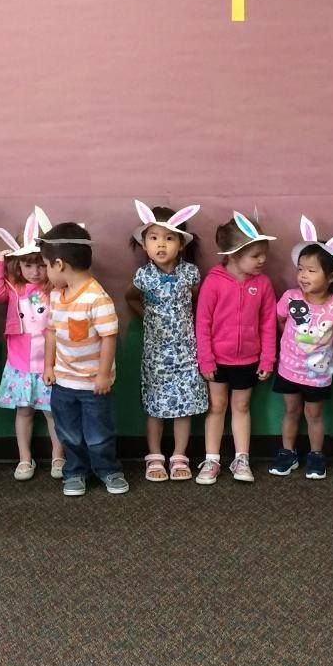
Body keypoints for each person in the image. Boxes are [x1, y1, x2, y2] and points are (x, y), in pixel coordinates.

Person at [40, 221, 129, 497]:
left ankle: (108, 469)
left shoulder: (96, 297)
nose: (46, 272)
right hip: (63, 383)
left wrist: (103, 375)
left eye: (46, 266)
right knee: (68, 433)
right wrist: (48, 365)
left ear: (59, 264)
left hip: (93, 386)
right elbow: (52, 332)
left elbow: (109, 337)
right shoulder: (56, 296)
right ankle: (76, 471)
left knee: (99, 434)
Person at [126, 201, 207, 482]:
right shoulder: (143, 276)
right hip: (156, 354)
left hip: (186, 352)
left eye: (169, 238)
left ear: (181, 244)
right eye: (154, 237)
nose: (161, 244)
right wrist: (147, 315)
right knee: (155, 406)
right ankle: (155, 456)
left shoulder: (190, 273)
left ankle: (179, 455)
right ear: (144, 244)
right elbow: (130, 297)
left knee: (184, 406)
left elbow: (199, 302)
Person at [269, 216, 333, 480]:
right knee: (291, 411)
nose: (303, 275)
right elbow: (280, 321)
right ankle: (287, 452)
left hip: (317, 375)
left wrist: (320, 346)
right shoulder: (290, 297)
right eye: (300, 269)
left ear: (331, 276)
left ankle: (316, 455)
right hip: (288, 370)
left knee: (314, 415)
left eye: (311, 270)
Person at [194, 212, 277, 484]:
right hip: (217, 361)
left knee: (241, 407)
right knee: (217, 407)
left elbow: (268, 322)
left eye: (264, 254)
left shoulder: (263, 284)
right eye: (255, 255)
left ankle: (242, 459)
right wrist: (206, 360)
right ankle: (212, 459)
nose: (262, 260)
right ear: (232, 254)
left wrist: (267, 358)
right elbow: (202, 323)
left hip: (248, 361)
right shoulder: (213, 282)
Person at [0, 208, 65, 480]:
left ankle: (58, 456)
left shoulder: (56, 287)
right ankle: (25, 459)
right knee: (24, 412)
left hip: (51, 364)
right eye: (28, 265)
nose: (35, 271)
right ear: (18, 264)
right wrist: (0, 262)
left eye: (41, 264)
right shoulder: (14, 287)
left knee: (53, 414)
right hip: (21, 364)